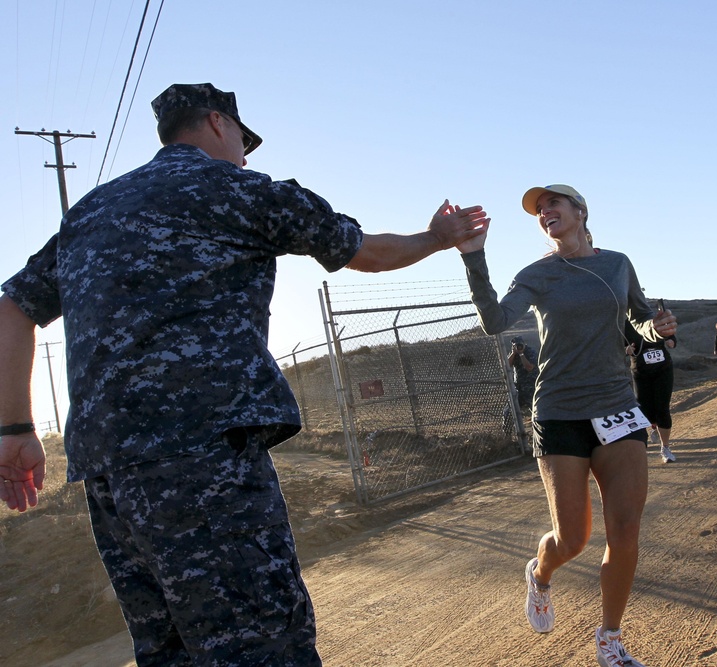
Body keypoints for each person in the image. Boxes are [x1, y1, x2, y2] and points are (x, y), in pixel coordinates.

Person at [0, 82, 489, 666]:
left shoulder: (90, 212)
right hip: (206, 461)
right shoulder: (240, 190)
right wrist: (439, 237)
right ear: (215, 123)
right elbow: (368, 253)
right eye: (241, 138)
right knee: (263, 647)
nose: (246, 154)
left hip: (108, 474)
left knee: (170, 650)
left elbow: (11, 308)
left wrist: (13, 429)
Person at [457, 184, 676, 667]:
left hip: (617, 405)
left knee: (625, 529)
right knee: (573, 539)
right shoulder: (537, 274)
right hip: (559, 410)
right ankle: (539, 572)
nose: (545, 212)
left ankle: (610, 639)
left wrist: (655, 329)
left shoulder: (617, 263)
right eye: (539, 210)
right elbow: (495, 321)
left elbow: (637, 319)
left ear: (579, 211)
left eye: (553, 203)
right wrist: (475, 257)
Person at [624, 320, 677, 463]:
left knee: (662, 408)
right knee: (644, 409)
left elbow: (670, 335)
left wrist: (671, 341)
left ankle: (665, 448)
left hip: (663, 369)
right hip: (640, 371)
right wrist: (626, 349)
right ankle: (654, 425)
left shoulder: (653, 318)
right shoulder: (623, 323)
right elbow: (617, 346)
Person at [507, 335, 539, 420]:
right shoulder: (514, 353)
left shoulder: (531, 352)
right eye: (516, 345)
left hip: (531, 387)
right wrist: (514, 353)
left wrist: (521, 354)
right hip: (519, 387)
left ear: (524, 344)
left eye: (520, 344)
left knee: (536, 410)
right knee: (509, 410)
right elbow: (507, 365)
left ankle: (539, 429)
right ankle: (509, 432)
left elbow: (529, 367)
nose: (519, 347)